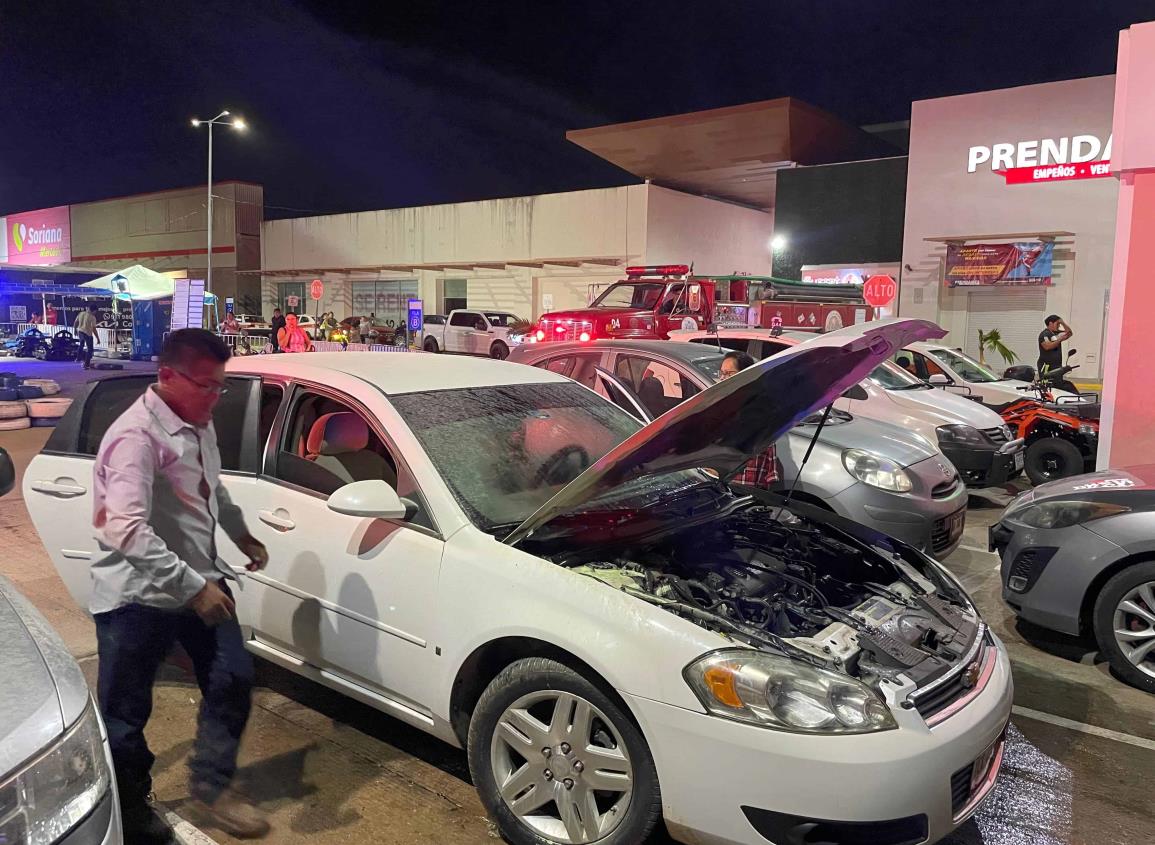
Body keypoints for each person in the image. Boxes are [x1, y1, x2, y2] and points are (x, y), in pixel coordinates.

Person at [91, 329, 270, 843]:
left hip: (200, 583)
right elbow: (124, 528)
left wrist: (239, 532)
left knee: (232, 679)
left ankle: (211, 788)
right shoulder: (134, 437)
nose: (214, 397)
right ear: (166, 376)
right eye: (205, 386)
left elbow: (211, 485)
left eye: (220, 386)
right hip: (136, 597)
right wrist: (194, 588)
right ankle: (130, 805)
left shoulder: (197, 420)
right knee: (125, 714)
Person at [720, 351, 782, 489]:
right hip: (725, 484)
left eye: (729, 373)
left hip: (741, 486)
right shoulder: (726, 404)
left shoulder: (755, 407)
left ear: (745, 375)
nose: (723, 379)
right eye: (721, 373)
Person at [74, 304, 98, 369]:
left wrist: (75, 330)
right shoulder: (92, 317)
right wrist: (97, 338)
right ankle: (86, 364)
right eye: (95, 311)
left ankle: (78, 358)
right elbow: (94, 329)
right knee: (90, 349)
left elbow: (76, 322)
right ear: (94, 310)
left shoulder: (81, 313)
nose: (96, 313)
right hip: (88, 333)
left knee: (81, 344)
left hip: (80, 331)